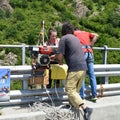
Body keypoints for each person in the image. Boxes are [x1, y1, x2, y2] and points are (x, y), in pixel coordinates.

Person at [51, 22, 93, 120]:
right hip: (83, 67)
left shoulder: (64, 38)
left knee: (69, 89)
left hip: (75, 67)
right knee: (75, 91)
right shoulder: (76, 39)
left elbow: (60, 55)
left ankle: (86, 109)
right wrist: (57, 56)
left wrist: (60, 61)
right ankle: (72, 105)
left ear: (63, 30)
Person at [74, 28, 99, 101]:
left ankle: (82, 96)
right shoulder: (86, 32)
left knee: (82, 75)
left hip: (83, 53)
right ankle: (94, 95)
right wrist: (91, 44)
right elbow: (96, 35)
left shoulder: (74, 33)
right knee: (92, 75)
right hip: (90, 53)